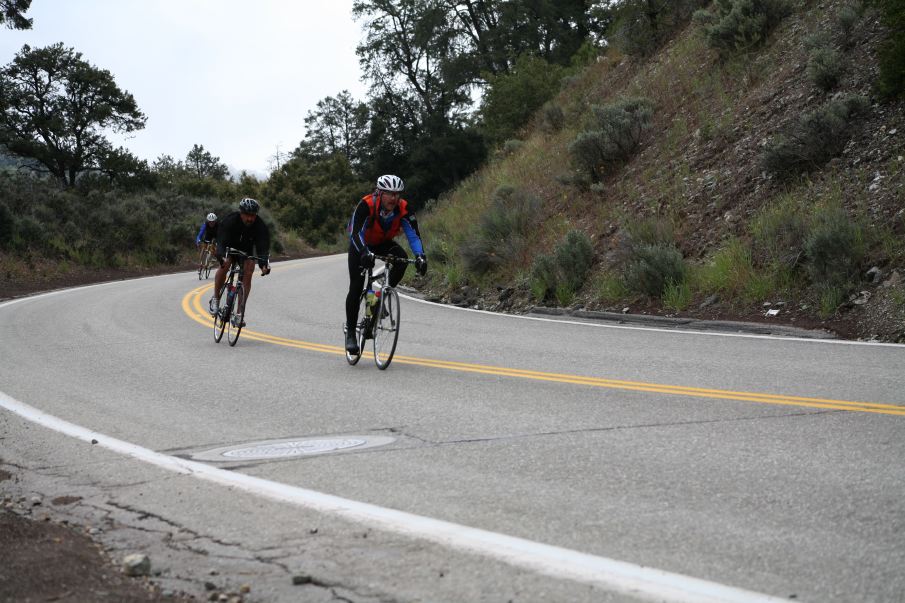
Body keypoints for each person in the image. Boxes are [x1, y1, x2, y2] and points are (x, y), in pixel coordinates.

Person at [345, 174, 427, 354]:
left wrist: (421, 256)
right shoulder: (366, 205)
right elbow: (355, 232)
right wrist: (365, 252)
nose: (394, 198)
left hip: (383, 242)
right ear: (379, 193)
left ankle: (380, 298)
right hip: (361, 243)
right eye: (389, 194)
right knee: (357, 286)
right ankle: (351, 333)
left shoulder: (404, 208)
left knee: (402, 260)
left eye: (397, 194)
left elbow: (413, 235)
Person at [209, 198, 271, 325]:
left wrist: (264, 264)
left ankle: (239, 314)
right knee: (225, 265)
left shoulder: (260, 226)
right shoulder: (231, 220)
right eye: (247, 215)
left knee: (249, 272)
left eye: (253, 215)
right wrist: (221, 254)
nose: (250, 218)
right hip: (229, 248)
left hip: (246, 252)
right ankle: (215, 298)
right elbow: (221, 238)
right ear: (241, 213)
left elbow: (262, 246)